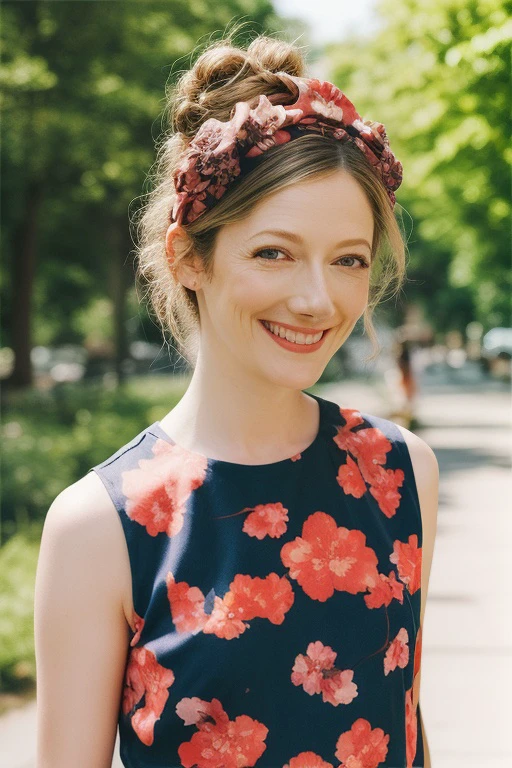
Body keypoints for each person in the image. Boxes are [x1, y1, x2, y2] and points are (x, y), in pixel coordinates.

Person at [34, 33, 438, 768]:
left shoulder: (402, 473)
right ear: (189, 256)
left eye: (348, 260)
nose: (318, 299)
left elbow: (405, 725)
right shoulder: (101, 525)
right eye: (273, 252)